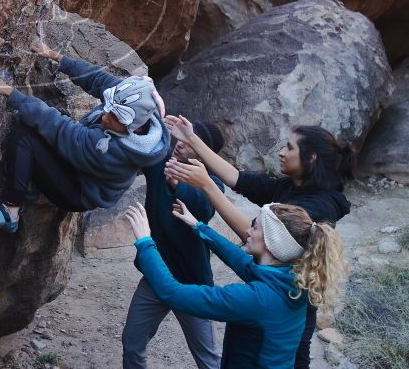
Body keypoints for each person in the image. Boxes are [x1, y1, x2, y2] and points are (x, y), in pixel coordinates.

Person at [163, 116, 353, 368]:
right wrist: (192, 138)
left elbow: (256, 235)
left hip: (290, 296)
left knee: (294, 359)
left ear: (312, 157)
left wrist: (208, 186)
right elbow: (237, 179)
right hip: (272, 287)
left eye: (290, 147)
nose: (282, 153)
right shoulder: (289, 186)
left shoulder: (319, 205)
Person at [124, 198, 346, 369]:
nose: (248, 231)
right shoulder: (293, 280)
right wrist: (199, 227)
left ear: (272, 243)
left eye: (255, 227)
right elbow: (242, 262)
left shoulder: (256, 299)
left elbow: (172, 293)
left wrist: (145, 242)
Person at [0, 40, 170, 232]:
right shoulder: (139, 108)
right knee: (44, 129)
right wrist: (56, 56)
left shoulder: (108, 148)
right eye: (108, 108)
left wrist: (11, 93)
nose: (105, 116)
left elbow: (59, 127)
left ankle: (10, 211)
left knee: (24, 135)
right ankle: (30, 183)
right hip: (84, 171)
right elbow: (97, 79)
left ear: (131, 125)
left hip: (78, 192)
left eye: (115, 117)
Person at [122, 121, 227, 369]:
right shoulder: (162, 162)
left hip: (192, 285)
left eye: (189, 141)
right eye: (180, 137)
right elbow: (145, 135)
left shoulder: (212, 183)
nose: (180, 143)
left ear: (203, 151)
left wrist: (178, 185)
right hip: (156, 277)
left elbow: (204, 209)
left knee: (208, 358)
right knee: (132, 342)